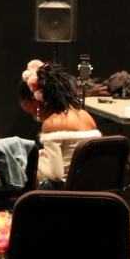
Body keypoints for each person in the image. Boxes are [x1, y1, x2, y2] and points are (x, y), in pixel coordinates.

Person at [19, 60, 100, 189]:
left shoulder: (52, 124)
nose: (35, 117)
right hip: (91, 186)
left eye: (31, 111)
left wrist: (37, 159)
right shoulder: (86, 116)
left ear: (37, 100)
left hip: (65, 190)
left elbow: (56, 176)